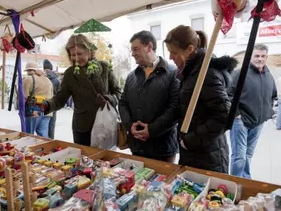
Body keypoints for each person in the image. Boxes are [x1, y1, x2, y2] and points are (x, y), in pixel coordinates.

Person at [164, 25, 237, 173]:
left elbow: (225, 115)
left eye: (174, 53)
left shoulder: (206, 74)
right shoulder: (191, 72)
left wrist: (190, 141)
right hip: (194, 153)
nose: (171, 57)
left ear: (190, 49)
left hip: (208, 156)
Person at [45, 34, 121, 146]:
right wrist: (46, 105)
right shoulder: (70, 74)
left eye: (79, 54)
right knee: (84, 158)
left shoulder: (104, 67)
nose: (76, 58)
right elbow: (60, 99)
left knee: (105, 160)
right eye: (72, 55)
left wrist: (108, 99)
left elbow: (118, 93)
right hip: (82, 127)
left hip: (105, 124)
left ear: (89, 52)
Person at [118, 30, 180, 163]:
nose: (132, 53)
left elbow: (175, 108)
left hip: (163, 148)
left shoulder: (173, 73)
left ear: (149, 47)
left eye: (136, 49)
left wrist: (151, 130)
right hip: (136, 147)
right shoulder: (131, 76)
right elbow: (123, 103)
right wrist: (130, 126)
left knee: (164, 183)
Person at [229, 43, 277, 178]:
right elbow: (228, 94)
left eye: (262, 56)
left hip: (258, 122)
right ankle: (236, 182)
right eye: (256, 55)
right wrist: (236, 114)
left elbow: (273, 94)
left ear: (266, 57)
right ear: (250, 57)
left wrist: (268, 112)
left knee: (248, 154)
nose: (259, 59)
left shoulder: (268, 75)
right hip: (241, 122)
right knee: (239, 156)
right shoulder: (240, 73)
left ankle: (246, 179)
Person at [23, 61, 53, 137]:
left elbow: (24, 97)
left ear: (28, 71)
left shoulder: (28, 79)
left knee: (29, 135)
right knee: (43, 135)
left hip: (34, 111)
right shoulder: (48, 80)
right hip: (48, 110)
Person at [43, 59, 61, 139]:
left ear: (44, 68)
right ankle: (51, 140)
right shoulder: (57, 80)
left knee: (43, 125)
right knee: (51, 124)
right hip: (54, 103)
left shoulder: (42, 78)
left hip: (43, 103)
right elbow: (59, 93)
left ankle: (44, 141)